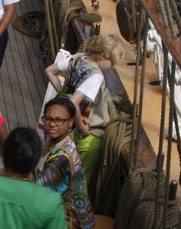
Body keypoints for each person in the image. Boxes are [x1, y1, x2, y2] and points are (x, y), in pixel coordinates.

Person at [44, 33, 125, 185]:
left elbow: (50, 70)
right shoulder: (96, 76)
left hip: (63, 127)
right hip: (84, 135)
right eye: (112, 62)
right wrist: (82, 128)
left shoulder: (78, 58)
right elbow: (74, 103)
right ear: (103, 55)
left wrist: (63, 94)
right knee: (80, 179)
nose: (112, 67)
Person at [34, 97, 95, 229]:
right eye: (48, 118)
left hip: (66, 219)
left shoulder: (62, 157)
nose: (52, 124)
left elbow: (36, 189)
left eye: (59, 120)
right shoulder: (54, 139)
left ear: (71, 122)